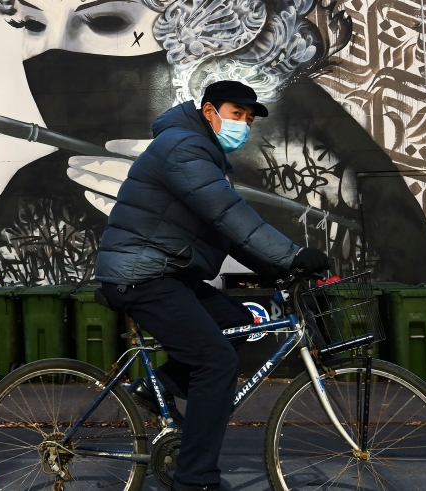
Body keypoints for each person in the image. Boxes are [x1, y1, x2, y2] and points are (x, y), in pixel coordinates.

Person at [94, 80, 329, 491]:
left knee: (241, 324)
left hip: (167, 273)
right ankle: (195, 479)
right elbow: (228, 214)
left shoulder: (203, 155)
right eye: (236, 114)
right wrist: (290, 255)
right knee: (215, 362)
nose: (243, 123)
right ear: (208, 112)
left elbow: (224, 231)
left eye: (249, 118)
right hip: (141, 276)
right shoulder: (183, 148)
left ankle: (154, 388)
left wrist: (277, 270)